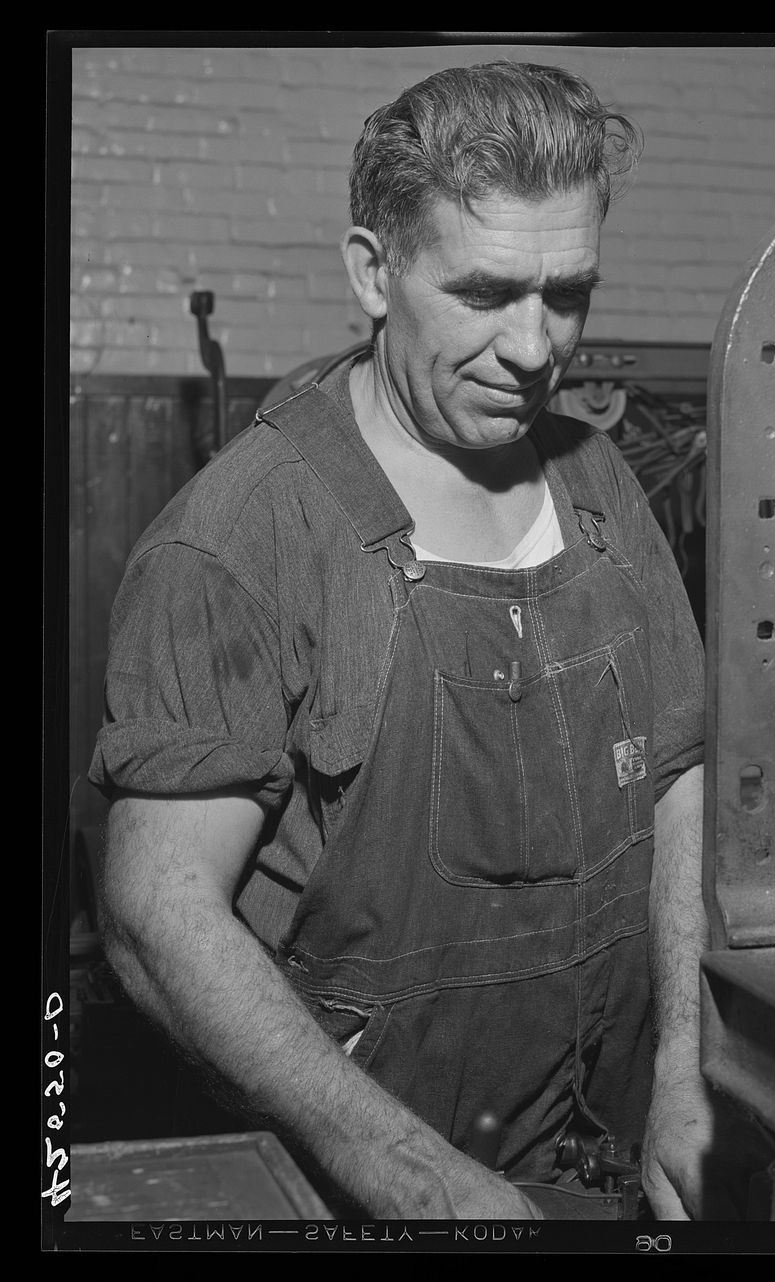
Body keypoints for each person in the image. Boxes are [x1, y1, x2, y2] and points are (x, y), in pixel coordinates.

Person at [90, 61, 737, 1220]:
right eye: (485, 294)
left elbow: (677, 777)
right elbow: (155, 916)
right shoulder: (243, 540)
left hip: (606, 1149)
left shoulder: (597, 488)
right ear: (373, 272)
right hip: (365, 1182)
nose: (537, 348)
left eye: (568, 293)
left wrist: (687, 1073)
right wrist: (418, 1180)